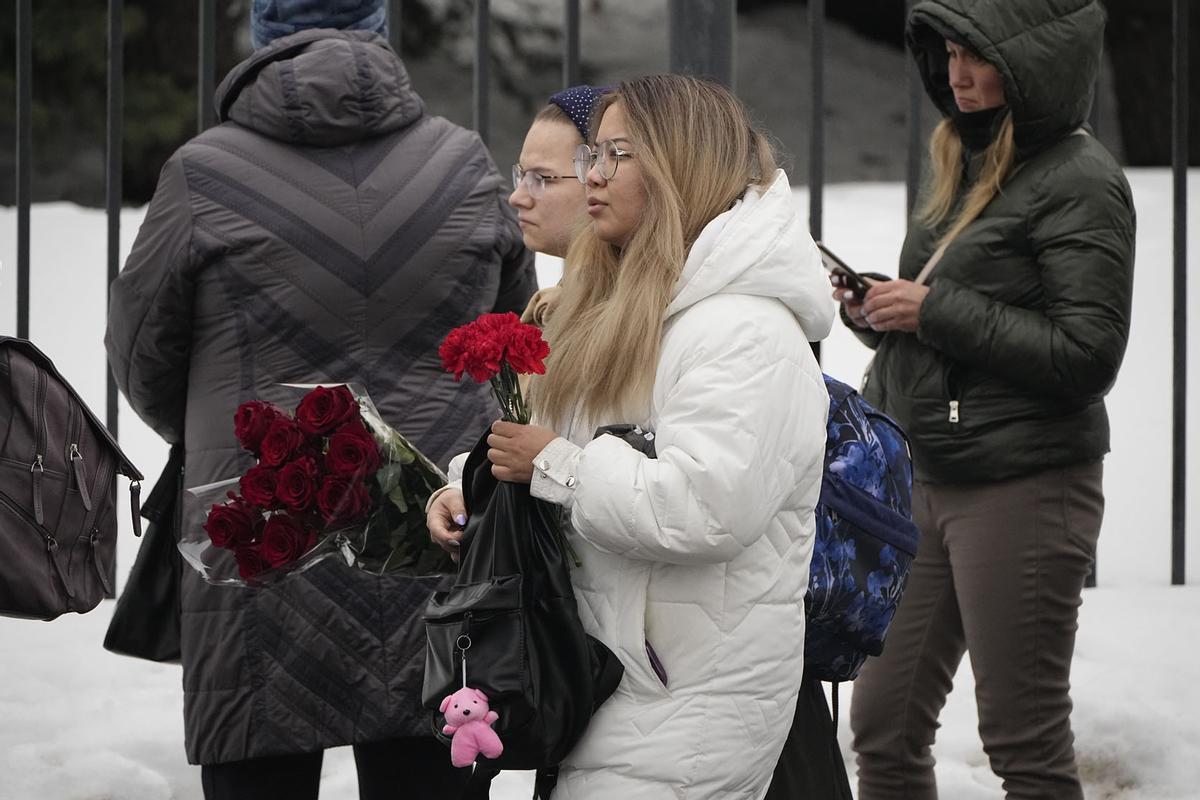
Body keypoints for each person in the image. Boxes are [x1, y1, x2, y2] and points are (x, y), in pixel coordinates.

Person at [105, 1, 536, 797]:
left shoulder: (203, 173)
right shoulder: (463, 162)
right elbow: (509, 350)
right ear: (380, 28)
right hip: (436, 532)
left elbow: (141, 356)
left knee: (259, 758)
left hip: (264, 527)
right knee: (433, 749)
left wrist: (234, 442)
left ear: (265, 35)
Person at [429, 73, 835, 798]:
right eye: (594, 156)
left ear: (682, 165)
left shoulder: (741, 327)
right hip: (615, 678)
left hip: (690, 696)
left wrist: (551, 464)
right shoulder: (637, 303)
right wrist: (467, 483)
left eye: (619, 154)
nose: (595, 175)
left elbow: (707, 507)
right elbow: (568, 440)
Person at [839, 1, 1136, 798]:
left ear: (1034, 61)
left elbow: (1087, 354)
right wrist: (883, 312)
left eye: (978, 56)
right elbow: (957, 333)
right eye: (946, 54)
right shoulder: (967, 157)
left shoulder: (1081, 180)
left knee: (1023, 742)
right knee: (883, 727)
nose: (957, 75)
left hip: (1025, 488)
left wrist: (932, 310)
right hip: (930, 479)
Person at [510, 85, 606, 327]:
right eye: (522, 176)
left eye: (541, 179)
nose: (516, 198)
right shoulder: (565, 302)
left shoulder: (610, 319)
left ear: (598, 178)